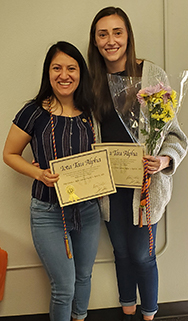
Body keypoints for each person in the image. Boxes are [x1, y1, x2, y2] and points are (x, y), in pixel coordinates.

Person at [88, 7, 188, 321]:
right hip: (108, 186)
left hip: (145, 186)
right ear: (95, 41)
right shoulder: (91, 82)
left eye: (117, 32)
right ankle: (127, 307)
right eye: (102, 34)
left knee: (143, 257)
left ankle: (149, 314)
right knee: (120, 252)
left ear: (128, 35)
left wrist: (164, 160)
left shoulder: (151, 75)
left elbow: (174, 133)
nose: (110, 40)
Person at [3, 41, 101, 321]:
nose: (64, 75)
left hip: (88, 211)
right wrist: (38, 173)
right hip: (48, 212)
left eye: (71, 68)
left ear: (80, 73)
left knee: (84, 277)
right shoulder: (33, 112)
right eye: (56, 68)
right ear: (48, 72)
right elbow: (9, 154)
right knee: (64, 287)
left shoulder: (90, 112)